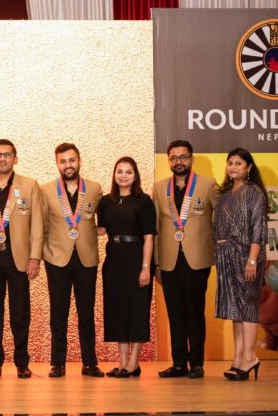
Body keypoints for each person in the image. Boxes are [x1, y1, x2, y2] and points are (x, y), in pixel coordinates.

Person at [0, 139, 44, 379]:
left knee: (20, 312)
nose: (2, 158)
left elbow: (37, 224)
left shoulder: (30, 185)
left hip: (19, 257)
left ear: (15, 158)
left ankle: (22, 362)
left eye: (7, 154)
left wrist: (35, 257)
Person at [153, 140, 220, 379]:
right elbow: (156, 227)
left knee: (194, 311)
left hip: (197, 259)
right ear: (168, 161)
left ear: (191, 159)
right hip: (169, 260)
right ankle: (179, 363)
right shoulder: (159, 188)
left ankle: (197, 363)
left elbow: (222, 219)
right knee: (175, 312)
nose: (179, 162)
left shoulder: (208, 184)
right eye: (174, 158)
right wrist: (156, 263)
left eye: (183, 157)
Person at [41, 143, 104, 377]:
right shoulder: (46, 190)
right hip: (56, 258)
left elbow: (104, 221)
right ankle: (57, 363)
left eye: (72, 160)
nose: (68, 165)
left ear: (79, 161)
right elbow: (40, 225)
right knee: (59, 313)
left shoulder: (95, 189)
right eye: (63, 161)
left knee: (86, 313)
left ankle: (89, 363)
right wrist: (37, 256)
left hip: (86, 259)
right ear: (57, 164)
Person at [97, 157, 156, 378]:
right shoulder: (105, 201)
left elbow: (149, 237)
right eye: (119, 171)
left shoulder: (144, 201)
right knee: (118, 311)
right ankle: (122, 362)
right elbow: (101, 230)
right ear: (114, 175)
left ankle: (134, 362)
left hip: (137, 259)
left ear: (135, 175)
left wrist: (146, 267)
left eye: (128, 172)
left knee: (137, 311)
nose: (123, 176)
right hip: (114, 261)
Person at [214, 148, 268, 381]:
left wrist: (252, 259)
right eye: (230, 163)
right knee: (234, 310)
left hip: (247, 255)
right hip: (226, 257)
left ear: (248, 168)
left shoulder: (254, 192)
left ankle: (250, 357)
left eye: (238, 163)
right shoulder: (225, 194)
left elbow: (258, 229)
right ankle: (238, 358)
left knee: (247, 308)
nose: (233, 167)